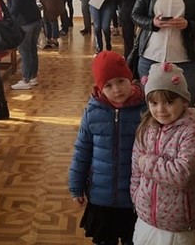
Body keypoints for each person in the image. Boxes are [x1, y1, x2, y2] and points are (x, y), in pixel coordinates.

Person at [68, 51, 145, 245]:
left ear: (130, 79)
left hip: (135, 198)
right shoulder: (92, 113)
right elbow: (81, 153)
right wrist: (76, 187)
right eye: (108, 85)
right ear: (100, 88)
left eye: (121, 81)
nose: (117, 89)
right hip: (101, 198)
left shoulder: (145, 111)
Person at [131, 62, 195, 244]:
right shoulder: (146, 128)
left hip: (177, 225)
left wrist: (147, 162)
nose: (160, 110)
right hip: (146, 218)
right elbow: (136, 168)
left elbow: (182, 174)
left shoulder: (192, 131)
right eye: (154, 103)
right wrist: (136, 196)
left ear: (184, 101)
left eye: (169, 102)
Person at [4, 0, 41, 90]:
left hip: (25, 23)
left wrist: (5, 17)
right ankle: (33, 77)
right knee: (32, 50)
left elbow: (16, 7)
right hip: (36, 19)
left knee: (25, 52)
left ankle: (26, 79)